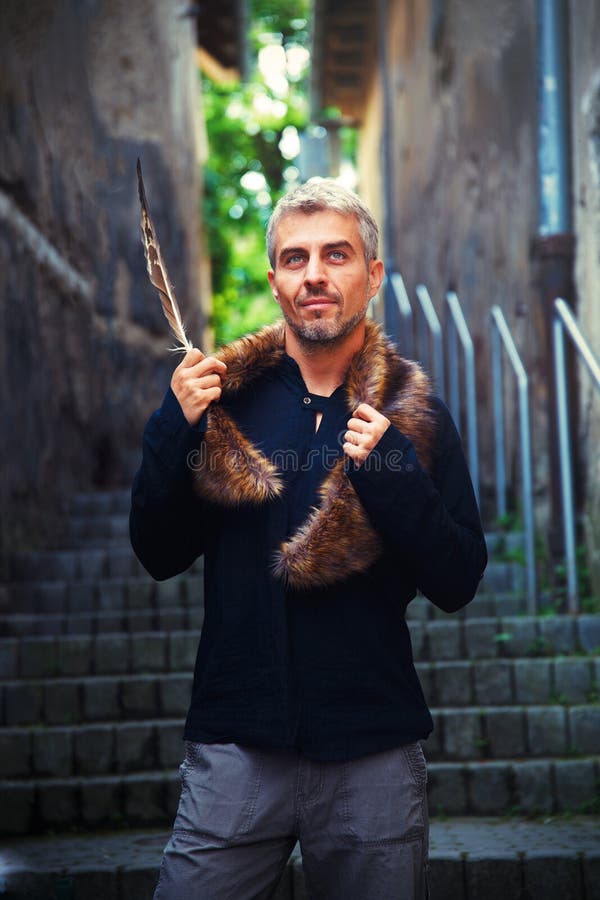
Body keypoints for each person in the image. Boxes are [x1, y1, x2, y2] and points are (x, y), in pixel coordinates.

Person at [130, 178, 487, 900]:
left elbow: (457, 579)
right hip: (235, 746)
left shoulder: (414, 414)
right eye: (295, 259)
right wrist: (174, 424)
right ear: (274, 281)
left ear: (373, 275)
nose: (315, 275)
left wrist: (389, 467)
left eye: (336, 255)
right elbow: (158, 552)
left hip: (373, 755)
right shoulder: (219, 404)